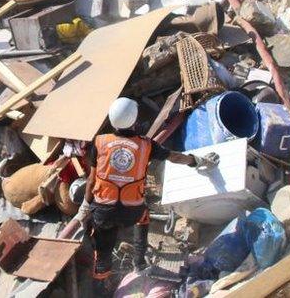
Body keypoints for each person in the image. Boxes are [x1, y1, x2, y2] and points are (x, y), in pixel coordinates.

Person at [75, 98, 219, 294]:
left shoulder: (99, 142)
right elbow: (173, 156)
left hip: (103, 211)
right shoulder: (146, 145)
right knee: (143, 217)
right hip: (132, 212)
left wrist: (85, 206)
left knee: (103, 250)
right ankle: (139, 262)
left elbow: (91, 181)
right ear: (134, 121)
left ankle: (101, 284)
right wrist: (196, 160)